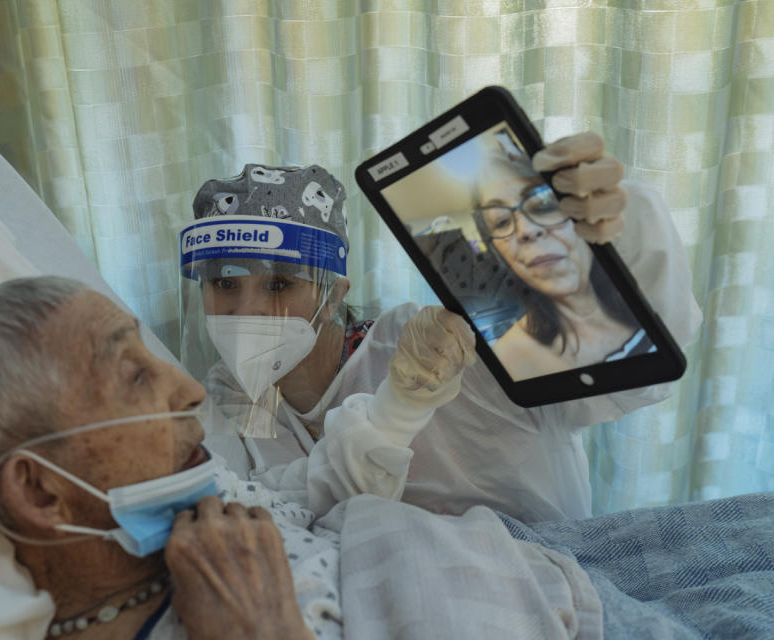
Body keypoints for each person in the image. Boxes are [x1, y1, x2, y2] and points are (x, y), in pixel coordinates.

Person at [179, 132, 702, 523]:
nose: (246, 311)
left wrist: (614, 236)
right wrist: (394, 414)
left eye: (278, 285)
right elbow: (265, 513)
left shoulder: (438, 347)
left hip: (538, 581)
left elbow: (626, 377)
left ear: (335, 290)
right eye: (224, 284)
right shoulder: (232, 397)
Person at [0, 276, 341, 640]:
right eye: (136, 376)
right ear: (40, 491)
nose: (191, 391)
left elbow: (325, 508)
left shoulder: (217, 494)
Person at [471, 151, 650, 380]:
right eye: (502, 221)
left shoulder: (645, 282)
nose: (526, 230)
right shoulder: (508, 360)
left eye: (544, 204)